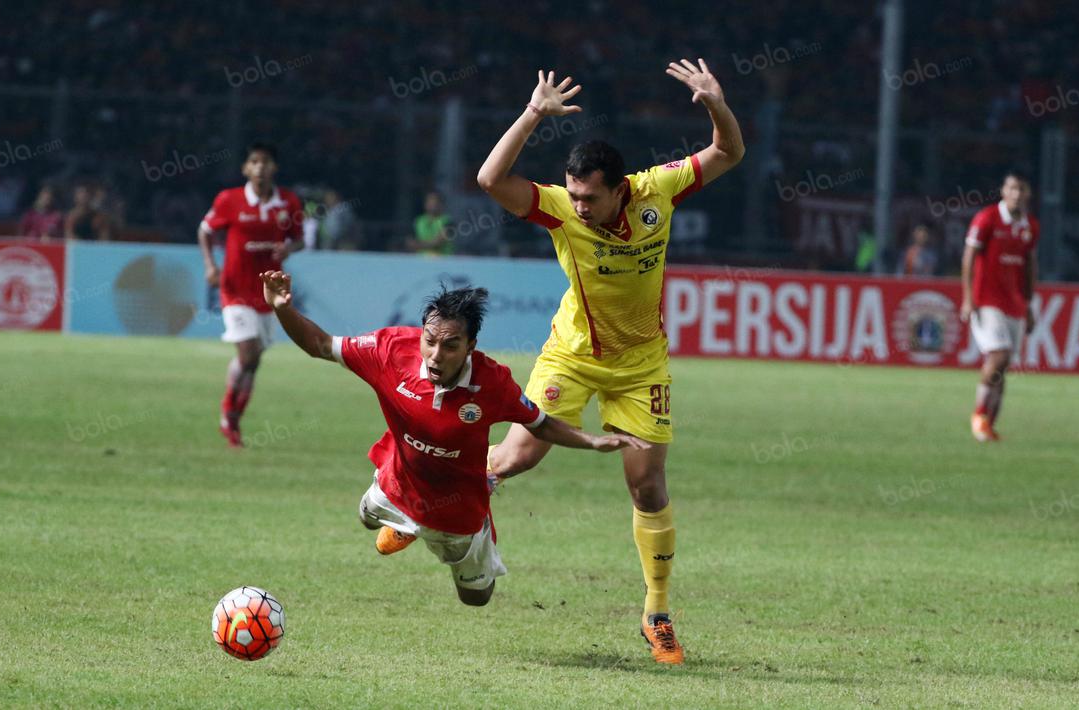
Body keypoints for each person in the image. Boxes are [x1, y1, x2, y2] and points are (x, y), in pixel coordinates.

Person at [476, 60, 745, 664]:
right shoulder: (560, 209)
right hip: (571, 355)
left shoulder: (661, 189)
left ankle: (657, 612)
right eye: (573, 195)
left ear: (621, 187)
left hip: (641, 364)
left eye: (590, 196)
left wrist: (714, 104)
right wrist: (531, 116)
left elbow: (729, 151)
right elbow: (491, 180)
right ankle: (423, 501)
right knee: (518, 456)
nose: (579, 206)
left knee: (647, 486)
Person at [260, 271, 647, 606]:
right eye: (430, 340)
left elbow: (539, 423)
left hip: (458, 515)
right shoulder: (389, 349)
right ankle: (403, 524)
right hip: (395, 489)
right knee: (365, 518)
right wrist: (281, 308)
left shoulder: (493, 383)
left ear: (470, 348)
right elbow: (321, 345)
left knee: (477, 598)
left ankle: (483, 489)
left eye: (450, 345)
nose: (435, 354)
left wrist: (593, 442)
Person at [197, 142, 304, 447]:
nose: (260, 167)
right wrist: (209, 265)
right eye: (254, 161)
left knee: (254, 360)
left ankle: (234, 420)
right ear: (246, 168)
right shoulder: (229, 199)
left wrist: (288, 247)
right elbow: (205, 230)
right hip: (235, 289)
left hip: (269, 292)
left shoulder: (289, 203)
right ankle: (227, 410)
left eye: (266, 161)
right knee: (249, 352)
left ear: (274, 168)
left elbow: (298, 240)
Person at [960, 170, 1039, 442]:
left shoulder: (1031, 227)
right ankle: (978, 415)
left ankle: (989, 425)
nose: (1017, 194)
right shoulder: (987, 219)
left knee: (1003, 366)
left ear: (1028, 194)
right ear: (1004, 191)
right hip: (986, 301)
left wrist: (1028, 304)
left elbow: (1028, 266)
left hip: (1014, 303)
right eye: (1012, 188)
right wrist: (968, 298)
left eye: (1022, 189)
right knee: (999, 356)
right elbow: (969, 256)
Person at [407, 190, 453, 256]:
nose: (433, 204)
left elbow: (438, 243)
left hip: (443, 262)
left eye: (436, 202)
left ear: (441, 204)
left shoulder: (448, 221)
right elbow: (410, 242)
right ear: (425, 204)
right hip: (421, 262)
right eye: (430, 202)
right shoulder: (418, 221)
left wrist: (418, 245)